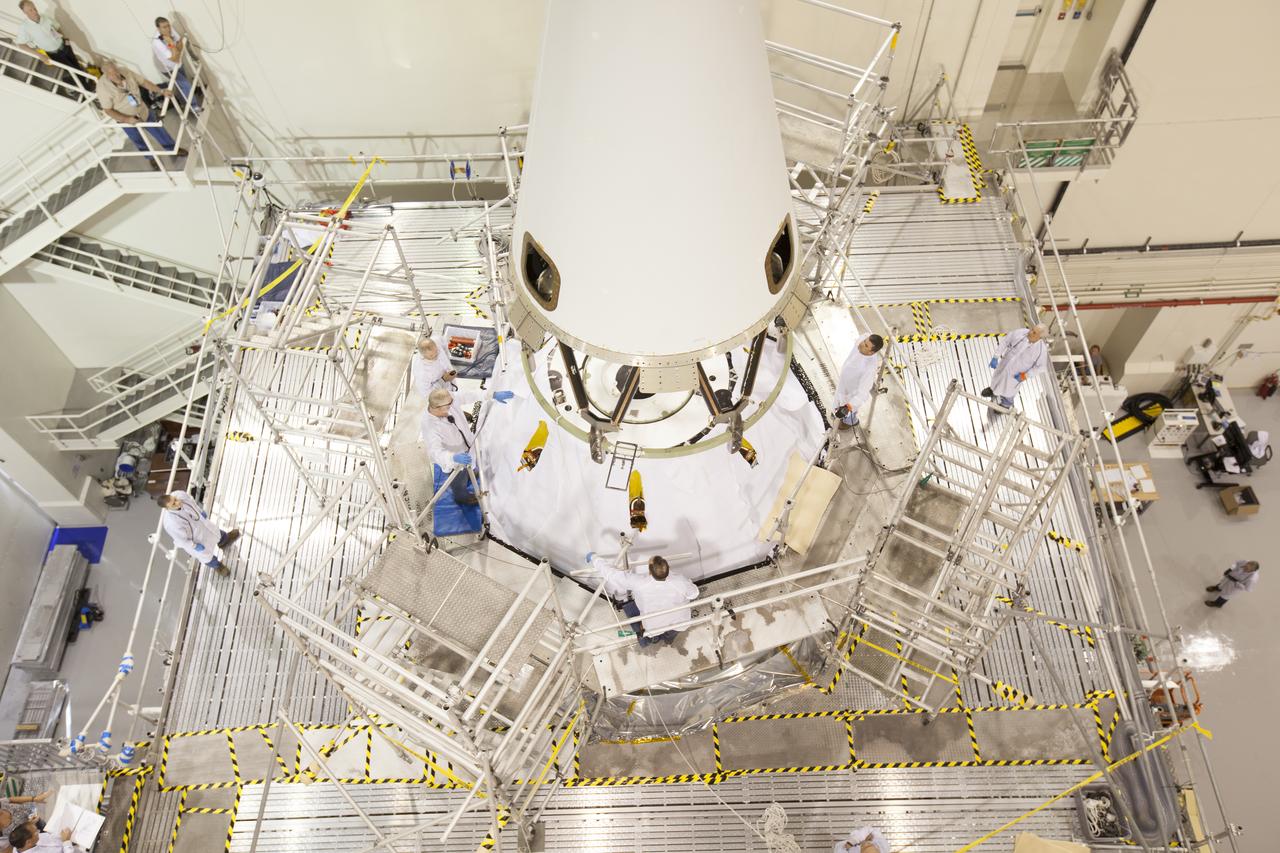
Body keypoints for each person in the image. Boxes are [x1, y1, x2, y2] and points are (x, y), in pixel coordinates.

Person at [421, 387, 513, 505]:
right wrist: (453, 457)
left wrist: (492, 394)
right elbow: (435, 451)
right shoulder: (430, 425)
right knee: (458, 482)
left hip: (467, 448)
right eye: (449, 404)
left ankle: (469, 476)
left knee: (470, 469)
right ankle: (462, 498)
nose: (453, 403)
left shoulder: (448, 401)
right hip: (455, 460)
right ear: (438, 407)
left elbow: (468, 395)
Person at [589, 553, 698, 647]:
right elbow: (694, 594)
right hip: (678, 620)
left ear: (650, 571)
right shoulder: (680, 581)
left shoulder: (639, 582)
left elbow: (612, 575)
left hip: (653, 623)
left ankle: (654, 640)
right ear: (667, 568)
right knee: (671, 633)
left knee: (651, 634)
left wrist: (594, 558)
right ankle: (668, 641)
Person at [96, 61, 184, 169]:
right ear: (106, 75)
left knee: (159, 130)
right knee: (138, 140)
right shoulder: (102, 88)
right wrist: (127, 119)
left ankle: (173, 149)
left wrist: (161, 91)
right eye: (112, 74)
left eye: (116, 71)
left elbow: (143, 82)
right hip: (126, 119)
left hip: (142, 110)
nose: (116, 75)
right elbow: (108, 110)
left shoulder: (125, 71)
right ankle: (151, 158)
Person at [157, 491, 239, 577]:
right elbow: (181, 540)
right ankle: (218, 567)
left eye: (175, 499)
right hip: (195, 539)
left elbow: (191, 501)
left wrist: (200, 511)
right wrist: (194, 546)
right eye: (173, 504)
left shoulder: (179, 495)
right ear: (167, 508)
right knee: (206, 556)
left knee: (216, 532)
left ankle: (225, 540)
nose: (178, 502)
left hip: (202, 524)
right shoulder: (170, 523)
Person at [14, 1, 85, 88]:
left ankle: (72, 81)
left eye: (34, 8)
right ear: (25, 13)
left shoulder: (45, 17)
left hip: (64, 46)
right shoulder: (24, 27)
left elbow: (57, 27)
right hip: (54, 54)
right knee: (74, 70)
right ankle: (86, 88)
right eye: (30, 10)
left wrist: (66, 40)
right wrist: (40, 55)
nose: (35, 11)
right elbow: (21, 45)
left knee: (76, 65)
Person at [981, 323, 1049, 409]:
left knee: (1009, 392)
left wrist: (1026, 375)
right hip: (1004, 365)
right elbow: (1006, 341)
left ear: (1040, 337)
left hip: (1016, 375)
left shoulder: (1041, 350)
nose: (1030, 332)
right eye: (1032, 329)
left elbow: (1041, 367)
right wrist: (996, 356)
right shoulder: (1021, 333)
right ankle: (992, 390)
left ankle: (1005, 405)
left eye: (1034, 332)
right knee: (997, 379)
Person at [834, 333, 885, 429]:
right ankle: (837, 412)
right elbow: (866, 335)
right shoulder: (862, 342)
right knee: (838, 399)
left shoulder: (869, 368)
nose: (861, 344)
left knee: (849, 412)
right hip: (845, 383)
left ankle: (850, 422)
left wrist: (848, 407)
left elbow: (863, 393)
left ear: (871, 352)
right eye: (865, 341)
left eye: (866, 345)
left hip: (852, 392)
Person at [152, 17, 199, 112]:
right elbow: (175, 57)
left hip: (177, 63)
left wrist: (175, 49)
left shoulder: (170, 29)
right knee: (185, 85)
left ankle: (184, 103)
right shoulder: (157, 43)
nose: (168, 29)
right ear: (158, 29)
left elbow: (180, 42)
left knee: (183, 85)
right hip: (167, 68)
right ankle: (193, 107)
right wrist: (171, 43)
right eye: (164, 27)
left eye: (168, 25)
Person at [7, 824, 82, 852]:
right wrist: (66, 842)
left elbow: (50, 837)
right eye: (36, 833)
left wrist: (62, 834)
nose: (39, 832)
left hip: (74, 844)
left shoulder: (25, 842)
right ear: (28, 842)